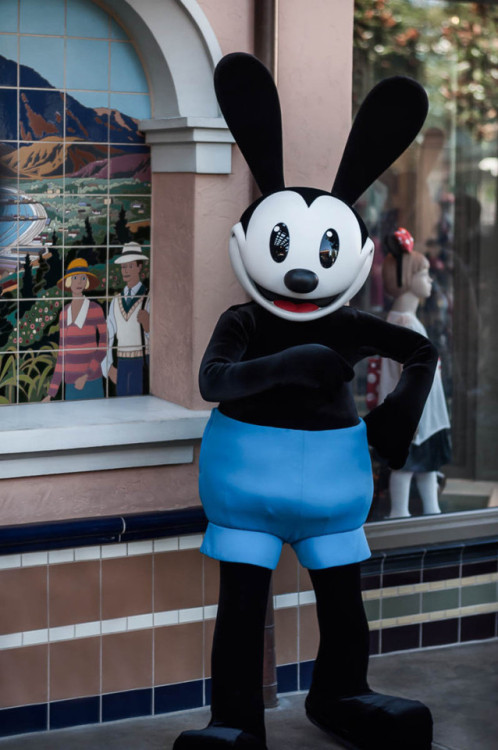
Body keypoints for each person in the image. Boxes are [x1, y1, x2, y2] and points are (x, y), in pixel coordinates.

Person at [379, 228, 451, 517]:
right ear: (406, 279)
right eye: (424, 274)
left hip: (422, 417)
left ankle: (428, 516)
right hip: (416, 420)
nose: (430, 280)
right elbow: (408, 379)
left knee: (425, 469)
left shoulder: (403, 321)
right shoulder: (405, 325)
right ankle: (401, 517)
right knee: (408, 469)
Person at [43, 258, 107, 402]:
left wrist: (87, 375)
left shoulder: (96, 309)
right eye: (75, 278)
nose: (79, 282)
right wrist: (51, 393)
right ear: (69, 282)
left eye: (83, 278)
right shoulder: (64, 314)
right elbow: (62, 354)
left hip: (92, 382)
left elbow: (103, 346)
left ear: (87, 282)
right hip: (71, 385)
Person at [102, 242, 150, 396]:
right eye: (124, 267)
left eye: (130, 266)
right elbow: (107, 335)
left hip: (142, 362)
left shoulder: (148, 298)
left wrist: (148, 326)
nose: (126, 271)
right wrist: (108, 367)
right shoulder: (116, 301)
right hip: (122, 363)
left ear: (139, 267)